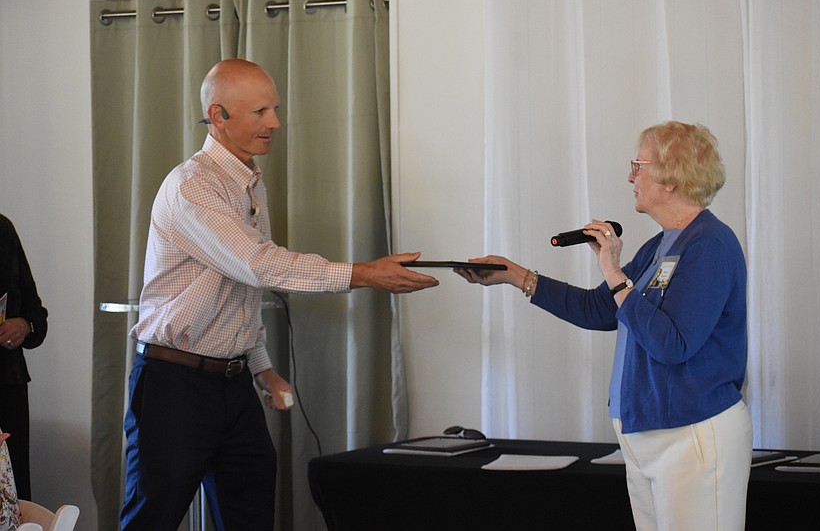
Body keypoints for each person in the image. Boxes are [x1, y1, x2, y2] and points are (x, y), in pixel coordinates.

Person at [120, 59, 439, 530]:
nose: (274, 122)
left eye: (275, 109)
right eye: (260, 112)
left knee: (250, 515)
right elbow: (259, 265)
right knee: (154, 518)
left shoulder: (247, 180)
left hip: (232, 387)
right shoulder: (193, 186)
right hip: (174, 384)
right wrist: (366, 274)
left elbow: (239, 290)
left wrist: (262, 367)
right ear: (219, 115)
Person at [456, 121, 752, 531]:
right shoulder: (662, 244)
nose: (631, 176)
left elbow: (673, 344)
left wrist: (613, 270)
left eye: (639, 164)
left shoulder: (711, 245)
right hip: (648, 435)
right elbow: (600, 309)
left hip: (691, 434)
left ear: (672, 177)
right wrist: (514, 274)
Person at [0, 214, 48, 502]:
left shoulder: (2, 229)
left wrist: (25, 326)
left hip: (7, 387)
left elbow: (37, 316)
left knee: (12, 499)